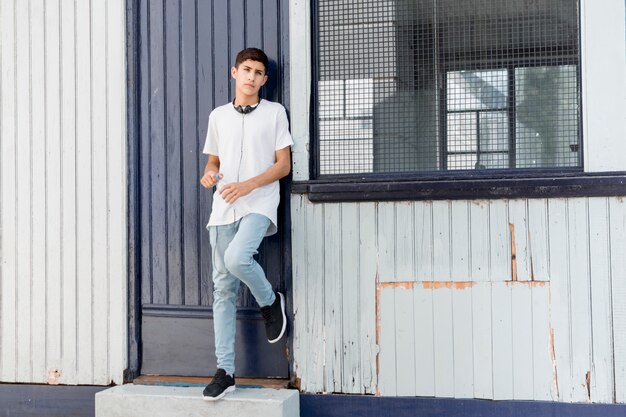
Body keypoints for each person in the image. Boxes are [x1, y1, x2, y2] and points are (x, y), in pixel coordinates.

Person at [199, 47, 293, 401]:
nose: (251, 76)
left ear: (265, 80)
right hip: (223, 209)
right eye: (246, 70)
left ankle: (269, 301)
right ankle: (225, 370)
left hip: (258, 203)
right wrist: (209, 176)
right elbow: (213, 163)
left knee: (238, 258)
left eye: (258, 72)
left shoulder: (274, 113)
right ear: (234, 72)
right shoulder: (218, 116)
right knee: (222, 290)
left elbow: (283, 165)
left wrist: (249, 185)